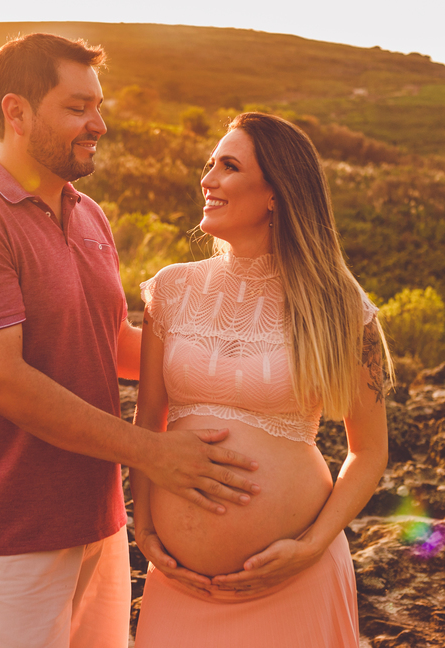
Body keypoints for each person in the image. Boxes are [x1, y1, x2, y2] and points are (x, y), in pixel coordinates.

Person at [0, 33, 261, 648]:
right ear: (16, 112)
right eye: (77, 108)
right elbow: (3, 384)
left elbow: (115, 345)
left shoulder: (89, 213)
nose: (97, 124)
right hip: (6, 534)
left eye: (98, 107)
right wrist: (151, 453)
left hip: (97, 520)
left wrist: (244, 367)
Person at [130, 112, 392, 647]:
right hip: (181, 585)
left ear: (276, 192)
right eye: (210, 165)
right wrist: (146, 528)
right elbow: (148, 419)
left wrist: (314, 544)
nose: (208, 179)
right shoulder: (171, 290)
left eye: (228, 166)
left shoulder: (338, 305)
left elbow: (369, 451)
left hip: (294, 582)